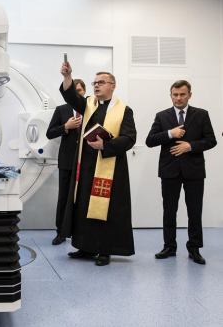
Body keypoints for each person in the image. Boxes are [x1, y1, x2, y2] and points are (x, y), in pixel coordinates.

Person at [59, 61, 136, 266]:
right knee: (84, 206)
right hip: (86, 167)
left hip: (109, 167)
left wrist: (106, 144)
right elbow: (70, 96)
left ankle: (104, 250)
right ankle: (85, 247)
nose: (96, 86)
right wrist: (68, 76)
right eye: (94, 82)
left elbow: (130, 138)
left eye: (101, 82)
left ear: (113, 85)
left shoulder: (124, 110)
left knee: (106, 210)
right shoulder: (88, 104)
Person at [145, 80, 216, 265]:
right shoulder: (162, 116)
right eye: (175, 94)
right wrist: (170, 133)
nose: (178, 98)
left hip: (194, 171)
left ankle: (194, 248)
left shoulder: (202, 115)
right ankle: (169, 246)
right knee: (169, 210)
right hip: (169, 171)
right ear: (171, 95)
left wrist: (190, 146)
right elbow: (150, 140)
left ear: (189, 95)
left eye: (182, 94)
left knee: (195, 211)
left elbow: (211, 140)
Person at [46, 79, 86, 245]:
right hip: (67, 161)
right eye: (74, 90)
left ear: (84, 92)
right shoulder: (61, 110)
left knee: (83, 198)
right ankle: (60, 232)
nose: (77, 93)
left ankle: (82, 233)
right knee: (63, 197)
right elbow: (50, 133)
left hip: (86, 160)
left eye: (80, 90)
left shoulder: (91, 108)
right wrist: (66, 126)